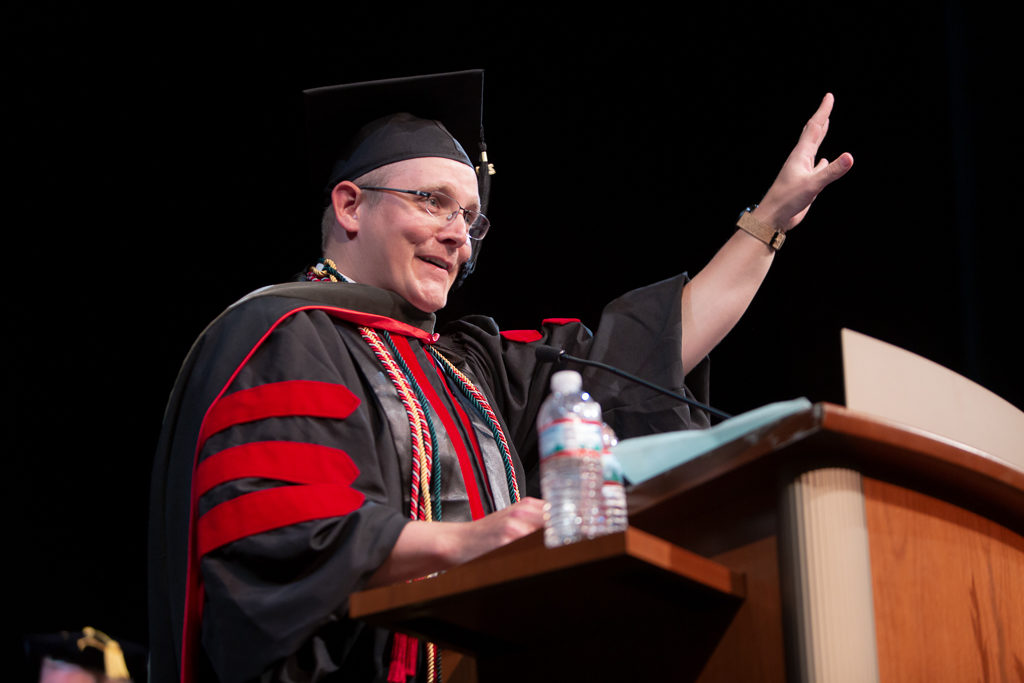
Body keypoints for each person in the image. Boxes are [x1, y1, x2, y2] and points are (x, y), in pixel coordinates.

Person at [147, 70, 852, 683]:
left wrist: (766, 225)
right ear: (349, 205)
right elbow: (287, 532)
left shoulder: (464, 366)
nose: (459, 234)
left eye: (471, 217)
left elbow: (641, 353)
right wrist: (470, 540)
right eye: (432, 202)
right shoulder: (284, 334)